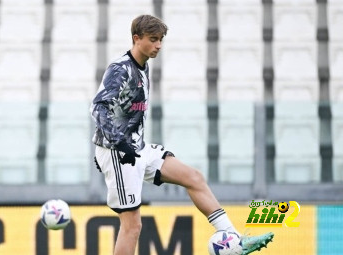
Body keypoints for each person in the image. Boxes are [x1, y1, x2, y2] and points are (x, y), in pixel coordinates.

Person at [91, 14, 273, 255]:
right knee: (132, 225)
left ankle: (234, 240)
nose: (159, 45)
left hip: (137, 148)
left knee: (193, 177)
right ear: (136, 38)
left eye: (161, 40)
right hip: (119, 153)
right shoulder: (120, 69)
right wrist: (119, 144)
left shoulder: (143, 67)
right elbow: (98, 108)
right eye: (153, 39)